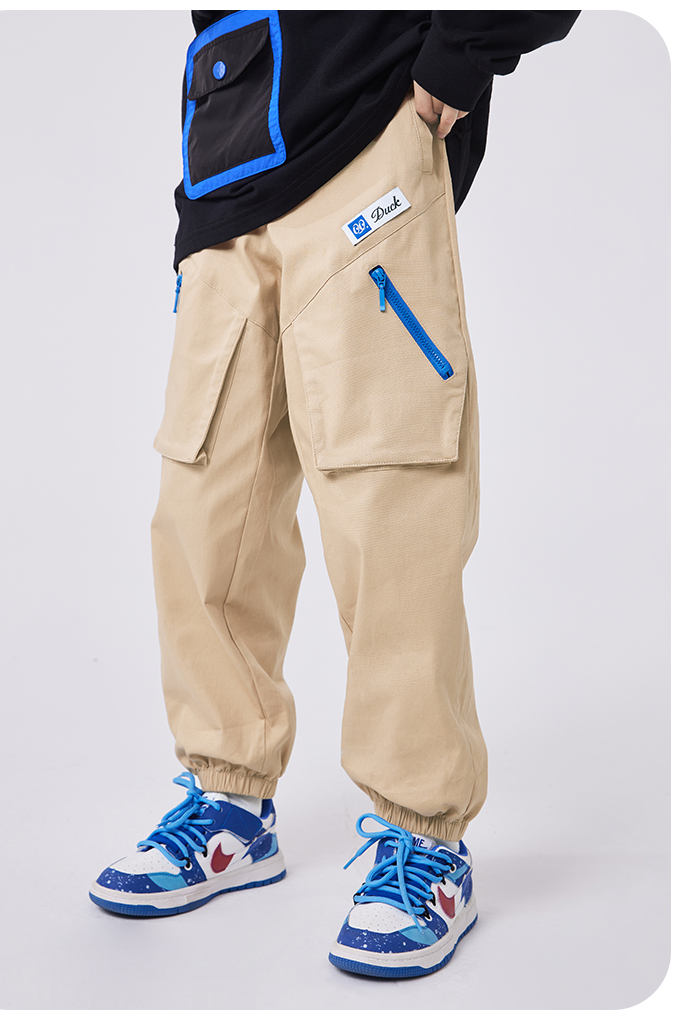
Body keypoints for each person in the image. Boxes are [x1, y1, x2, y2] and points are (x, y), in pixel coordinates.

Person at [89, 10, 580, 979]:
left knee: (389, 505)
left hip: (367, 121)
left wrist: (462, 52)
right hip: (228, 155)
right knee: (202, 504)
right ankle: (230, 800)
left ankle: (425, 836)